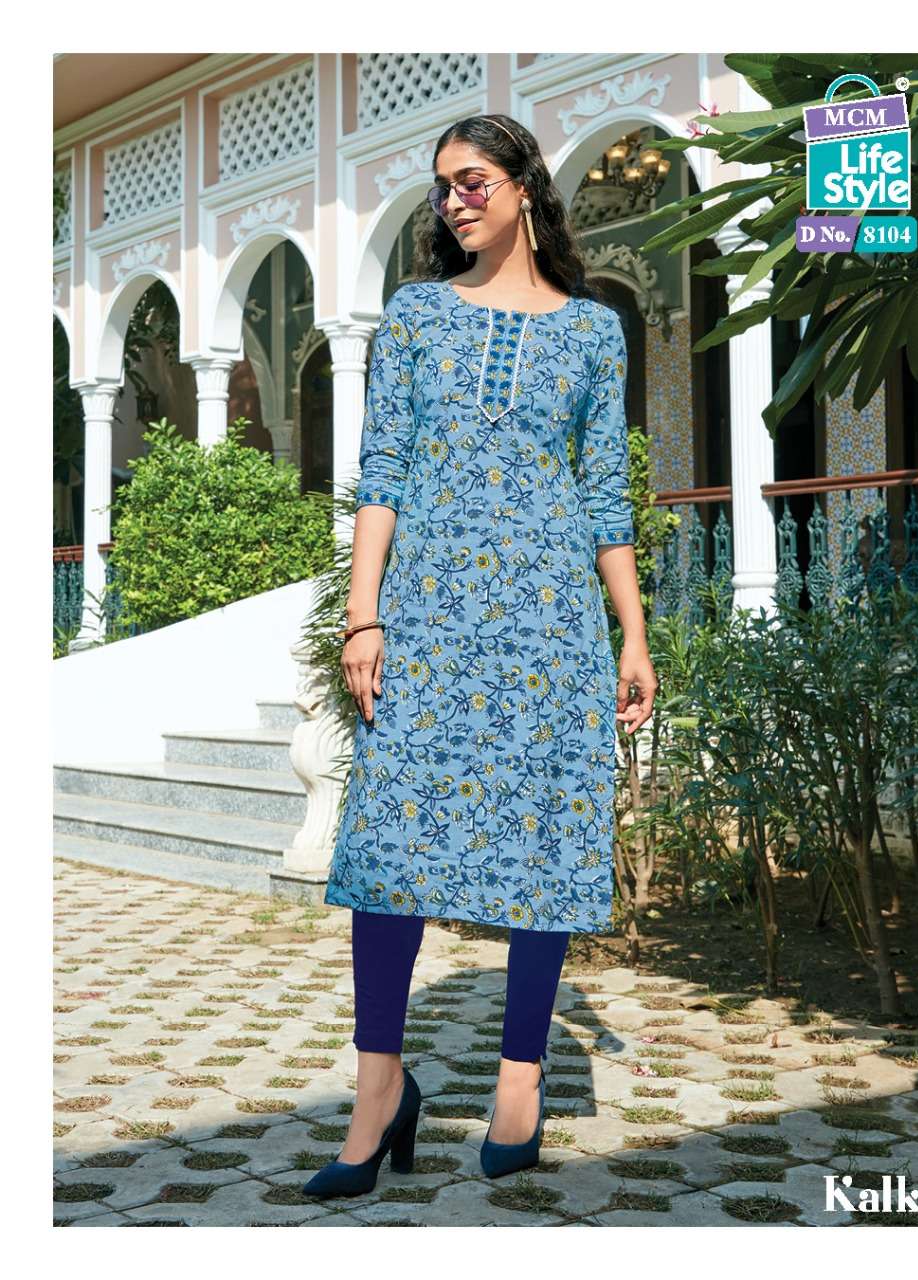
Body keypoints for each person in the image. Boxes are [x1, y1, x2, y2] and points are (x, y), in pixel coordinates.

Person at [303, 112, 657, 1199]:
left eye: (472, 181)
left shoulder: (592, 330)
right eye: (443, 186)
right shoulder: (415, 315)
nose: (454, 201)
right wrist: (362, 617)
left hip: (550, 623)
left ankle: (518, 1086)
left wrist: (632, 631)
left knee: (546, 838)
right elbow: (383, 470)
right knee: (387, 841)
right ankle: (379, 1090)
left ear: (522, 188)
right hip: (427, 617)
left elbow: (603, 493)